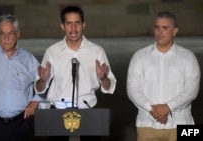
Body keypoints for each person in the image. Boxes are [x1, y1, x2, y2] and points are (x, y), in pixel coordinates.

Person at [35, 5, 117, 140]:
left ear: (83, 25)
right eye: (69, 23)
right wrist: (42, 80)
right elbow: (39, 88)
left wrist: (103, 78)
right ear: (62, 26)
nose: (73, 29)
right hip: (59, 112)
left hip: (88, 112)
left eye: (77, 23)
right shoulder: (52, 51)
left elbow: (109, 87)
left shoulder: (97, 51)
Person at [127, 11, 201, 141]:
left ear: (175, 31)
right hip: (147, 125)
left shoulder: (188, 57)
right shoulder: (140, 56)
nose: (159, 32)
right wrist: (153, 110)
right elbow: (133, 89)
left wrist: (168, 107)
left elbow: (191, 90)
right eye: (156, 27)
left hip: (182, 124)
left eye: (165, 28)